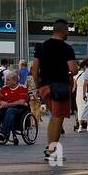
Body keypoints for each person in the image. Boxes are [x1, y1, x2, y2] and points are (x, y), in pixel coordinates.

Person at [29, 19, 79, 163]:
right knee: (57, 119)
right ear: (63, 30)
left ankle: (50, 148)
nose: (68, 32)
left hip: (45, 87)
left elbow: (34, 69)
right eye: (68, 30)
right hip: (60, 88)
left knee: (54, 117)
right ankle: (51, 151)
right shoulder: (66, 48)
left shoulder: (41, 46)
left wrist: (38, 85)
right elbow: (74, 70)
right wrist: (68, 74)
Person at [0, 68, 29, 142]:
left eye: (8, 80)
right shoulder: (4, 88)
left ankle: (4, 133)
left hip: (19, 109)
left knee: (10, 110)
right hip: (5, 107)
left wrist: (7, 105)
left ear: (15, 81)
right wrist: (0, 102)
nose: (6, 81)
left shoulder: (22, 88)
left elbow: (21, 102)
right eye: (6, 79)